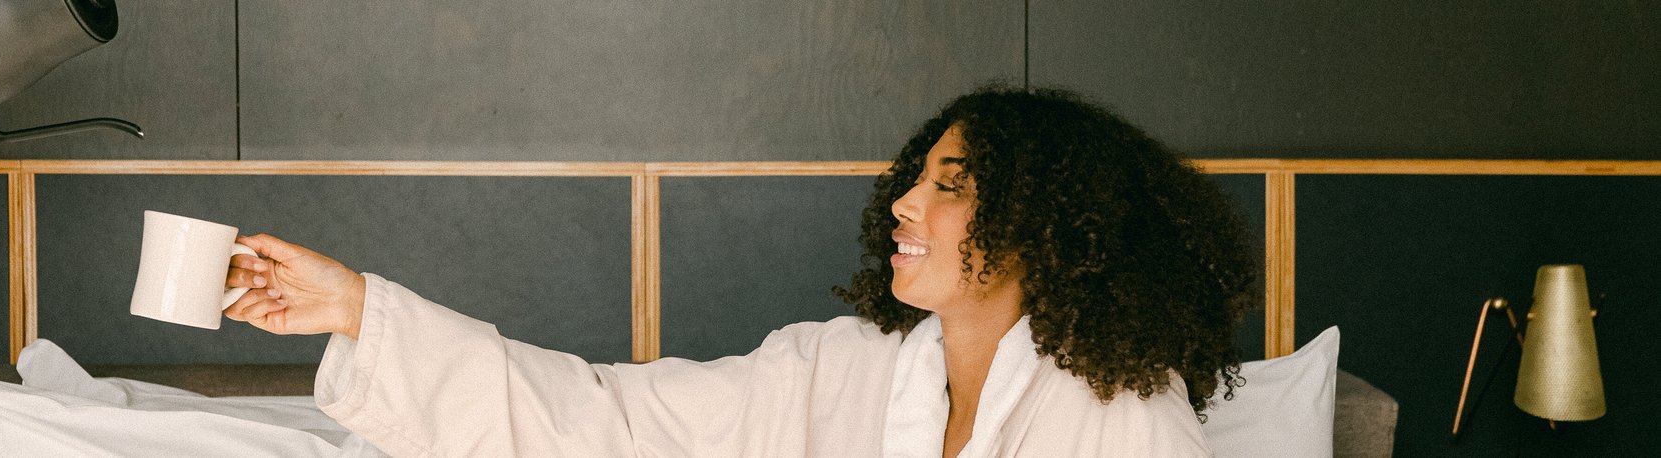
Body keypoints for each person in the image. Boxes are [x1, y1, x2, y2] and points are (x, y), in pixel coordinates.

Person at [221, 86, 1258, 457]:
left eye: (952, 183)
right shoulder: (836, 368)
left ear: (1043, 224)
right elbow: (607, 422)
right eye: (917, 177)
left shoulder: (1122, 416)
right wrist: (358, 308)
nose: (904, 200)